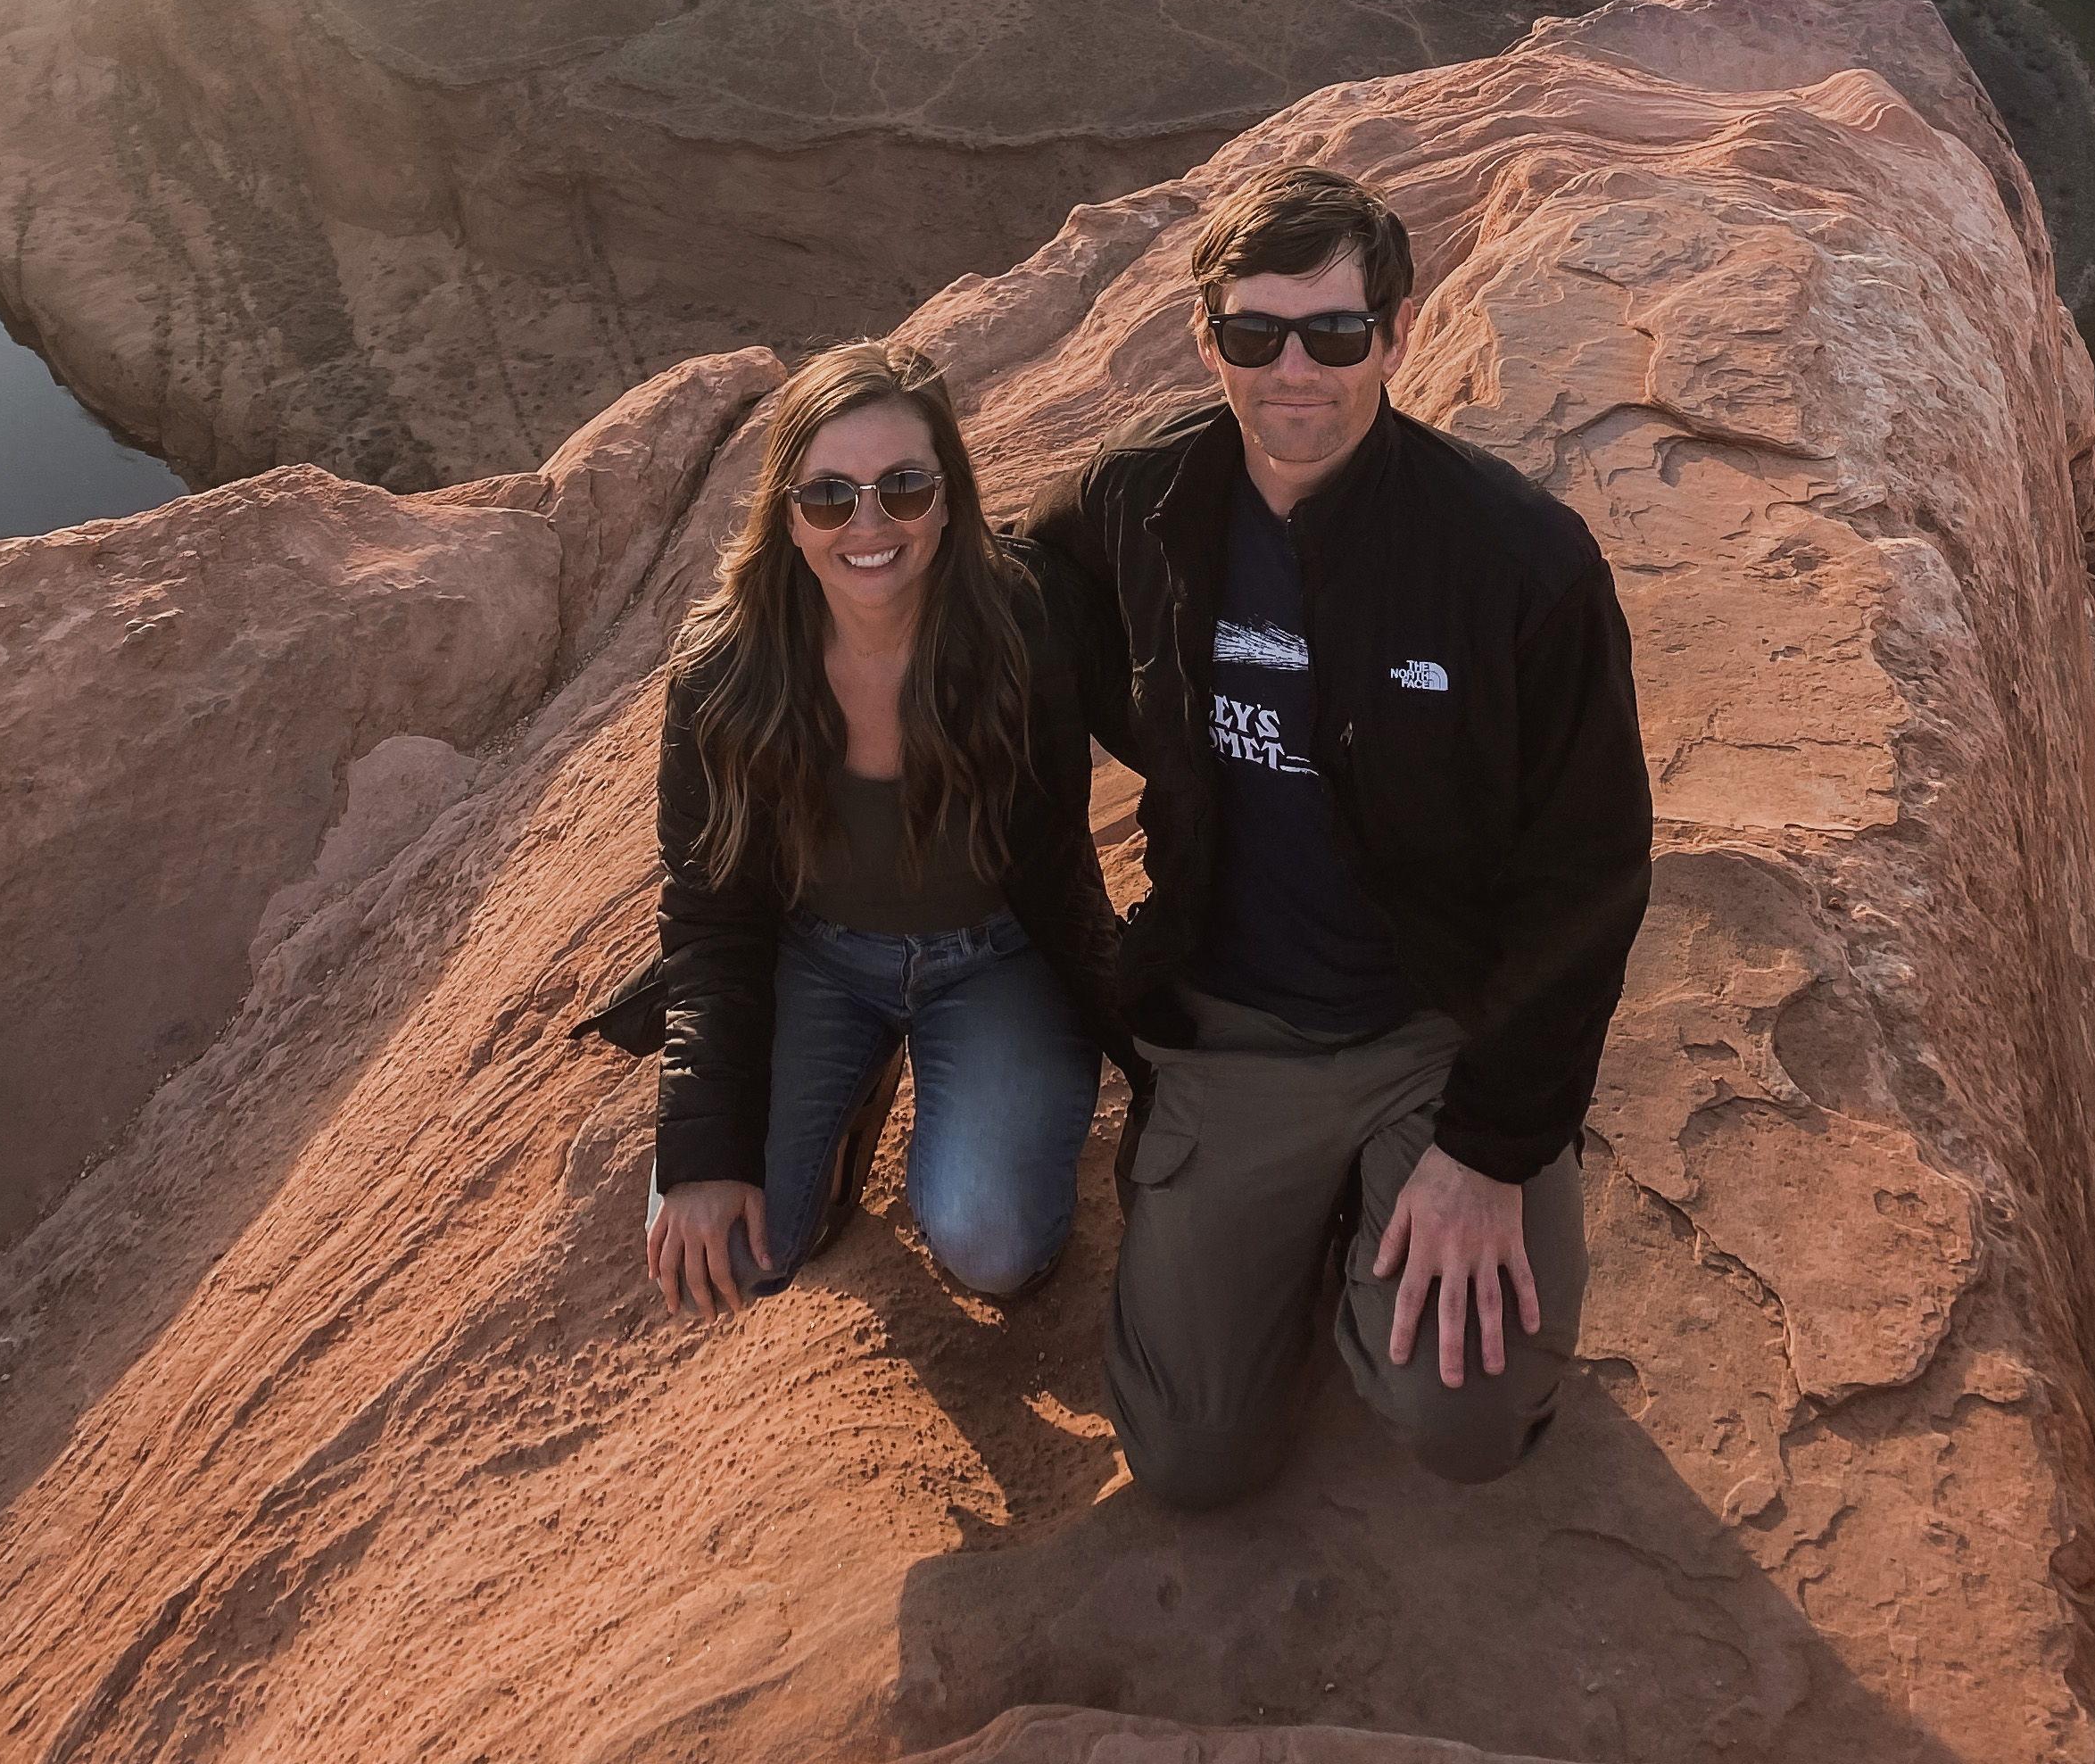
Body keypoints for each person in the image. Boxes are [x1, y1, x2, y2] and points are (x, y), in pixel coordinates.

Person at [1022, 162, 1653, 1507]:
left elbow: (1589, 876)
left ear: (1399, 331)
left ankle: (1410, 1210)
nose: (1292, 370)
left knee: (1463, 1424)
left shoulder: (1515, 560)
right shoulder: (1143, 504)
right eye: (1254, 335)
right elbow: (1016, 610)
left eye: (1334, 334)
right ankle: (1298, 1233)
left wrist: (1493, 1151)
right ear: (1209, 341)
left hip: (1443, 1028)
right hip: (1234, 1025)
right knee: (1194, 1463)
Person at [635, 338, 1128, 1318]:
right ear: (787, 515)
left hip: (999, 955)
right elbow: (709, 920)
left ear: (949, 497)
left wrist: (1155, 1033)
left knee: (994, 1249)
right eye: (829, 497)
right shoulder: (727, 674)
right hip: (814, 957)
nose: (868, 523)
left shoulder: (1024, 627)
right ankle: (849, 1098)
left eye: (903, 487)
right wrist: (704, 1152)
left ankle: (974, 1102)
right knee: (739, 1246)